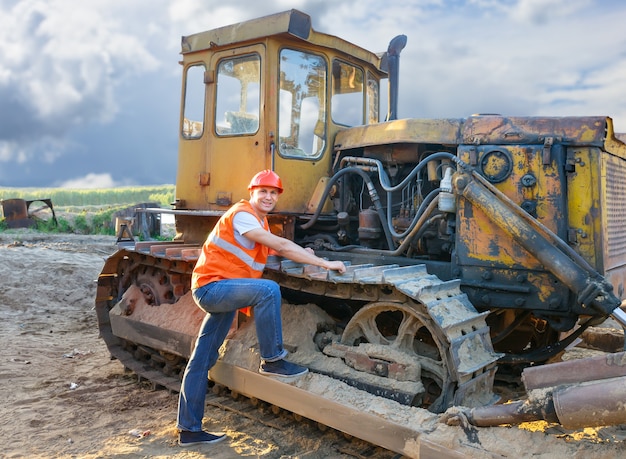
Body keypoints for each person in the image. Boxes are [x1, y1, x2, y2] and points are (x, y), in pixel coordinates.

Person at [176, 169, 347, 447]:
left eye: (273, 193)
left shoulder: (259, 222)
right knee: (268, 290)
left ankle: (189, 429)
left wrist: (307, 254)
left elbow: (276, 248)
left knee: (201, 360)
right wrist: (325, 264)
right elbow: (279, 244)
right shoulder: (243, 214)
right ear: (252, 193)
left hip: (221, 291)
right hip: (212, 289)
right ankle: (273, 360)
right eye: (263, 191)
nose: (268, 197)